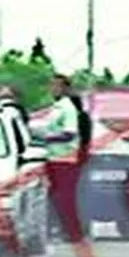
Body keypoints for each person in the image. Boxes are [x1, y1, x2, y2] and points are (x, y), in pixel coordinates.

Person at [39, 75, 87, 244]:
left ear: (65, 89)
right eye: (52, 86)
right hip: (53, 157)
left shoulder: (68, 108)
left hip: (65, 159)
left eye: (57, 86)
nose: (53, 89)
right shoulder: (56, 107)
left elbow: (69, 133)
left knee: (66, 197)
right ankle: (61, 230)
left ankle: (74, 233)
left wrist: (46, 138)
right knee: (55, 197)